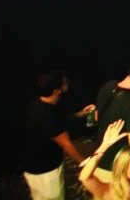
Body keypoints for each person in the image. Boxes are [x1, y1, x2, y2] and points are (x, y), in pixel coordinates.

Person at [23, 71, 92, 200]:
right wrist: (85, 163)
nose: (67, 84)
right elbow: (66, 144)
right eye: (64, 83)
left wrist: (79, 114)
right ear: (56, 91)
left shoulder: (41, 103)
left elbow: (58, 122)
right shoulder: (45, 115)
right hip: (45, 171)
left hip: (34, 166)